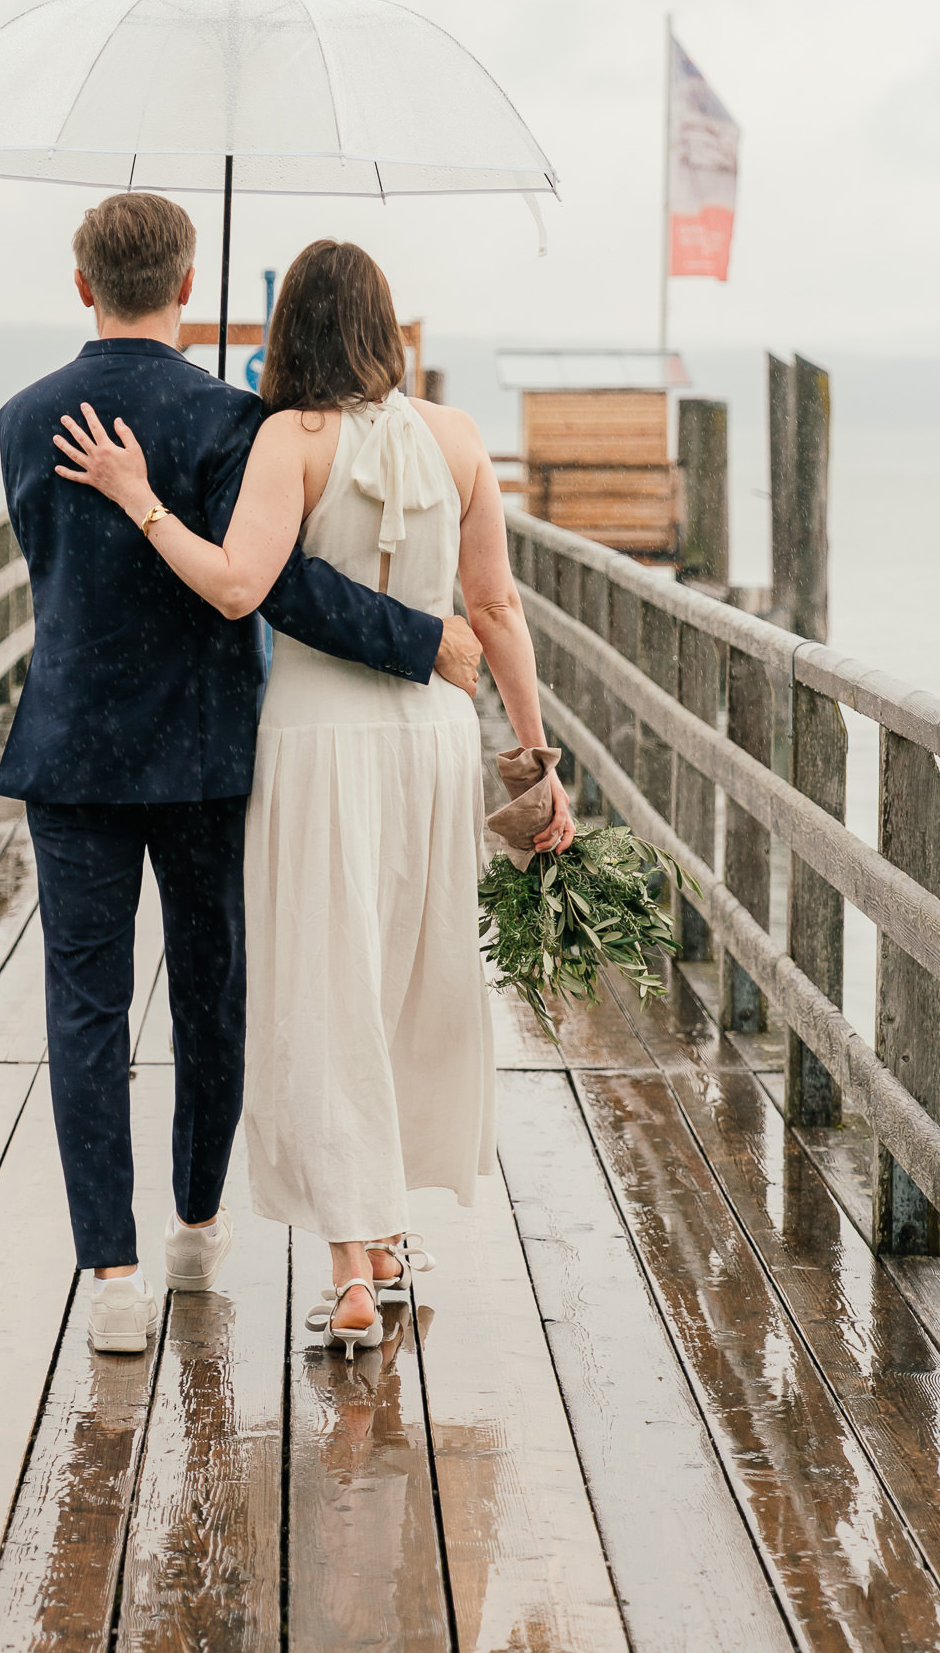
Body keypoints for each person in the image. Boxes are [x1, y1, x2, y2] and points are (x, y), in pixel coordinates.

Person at [55, 237, 574, 1357]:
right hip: (433, 741)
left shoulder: (290, 440)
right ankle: (386, 1241)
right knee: (402, 974)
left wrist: (144, 502)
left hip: (316, 738)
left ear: (288, 326)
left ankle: (349, 1269)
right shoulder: (458, 437)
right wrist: (535, 759)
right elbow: (497, 613)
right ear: (386, 323)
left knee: (324, 983)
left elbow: (241, 587)